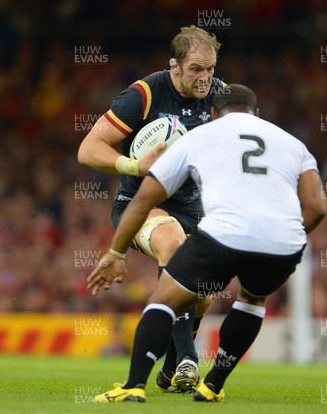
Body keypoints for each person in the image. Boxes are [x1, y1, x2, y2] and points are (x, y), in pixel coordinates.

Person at [87, 84, 327, 403]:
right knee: (251, 301)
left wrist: (116, 252)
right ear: (257, 114)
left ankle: (134, 385)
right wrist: (285, 237)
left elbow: (143, 199)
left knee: (164, 300)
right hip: (284, 241)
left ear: (213, 114)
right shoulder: (294, 144)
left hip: (223, 234)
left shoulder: (199, 136)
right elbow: (317, 207)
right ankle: (212, 385)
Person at [77, 25, 225, 392]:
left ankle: (170, 369)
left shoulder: (221, 97)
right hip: (140, 202)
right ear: (174, 66)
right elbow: (88, 149)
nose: (205, 78)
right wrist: (133, 166)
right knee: (172, 243)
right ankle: (189, 357)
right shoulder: (144, 93)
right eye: (195, 69)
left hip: (194, 207)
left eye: (210, 69)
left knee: (203, 294)